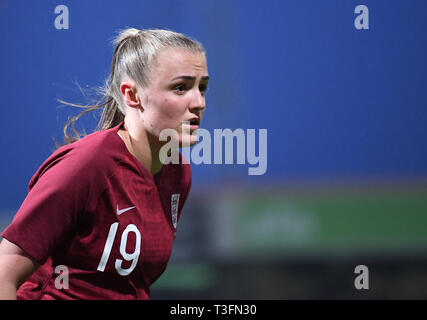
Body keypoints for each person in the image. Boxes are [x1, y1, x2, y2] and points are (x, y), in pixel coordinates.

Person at [0, 28, 209, 299]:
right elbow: (5, 271)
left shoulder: (177, 174)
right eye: (180, 87)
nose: (199, 102)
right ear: (132, 96)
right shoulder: (89, 164)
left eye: (201, 87)